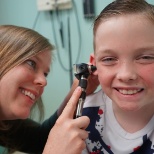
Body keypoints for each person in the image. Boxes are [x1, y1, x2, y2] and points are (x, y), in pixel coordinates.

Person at [0, 25, 99, 154]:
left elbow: (41, 140)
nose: (43, 81)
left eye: (45, 74)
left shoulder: (5, 125)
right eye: (31, 64)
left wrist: (76, 90)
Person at [82, 0, 154, 153]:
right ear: (94, 66)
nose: (126, 75)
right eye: (109, 59)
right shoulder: (83, 115)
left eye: (146, 57)